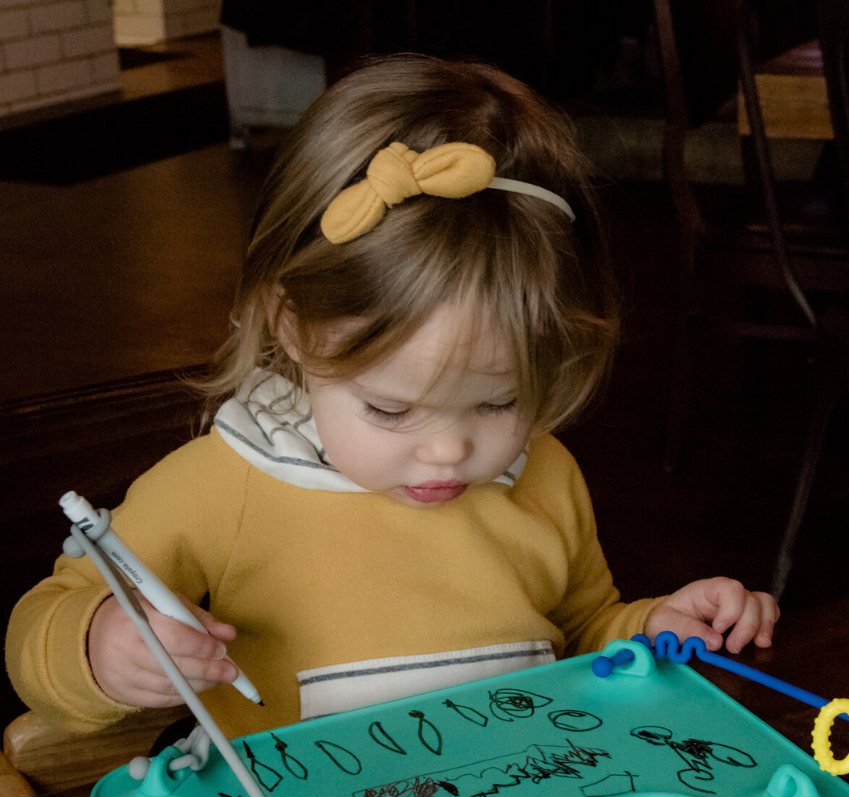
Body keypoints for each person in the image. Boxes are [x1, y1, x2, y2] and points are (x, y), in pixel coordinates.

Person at [6, 55, 778, 742]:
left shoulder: (546, 475)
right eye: (390, 409)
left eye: (498, 403)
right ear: (293, 327)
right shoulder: (225, 485)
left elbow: (577, 630)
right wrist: (99, 648)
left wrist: (653, 627)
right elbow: (43, 624)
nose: (448, 451)